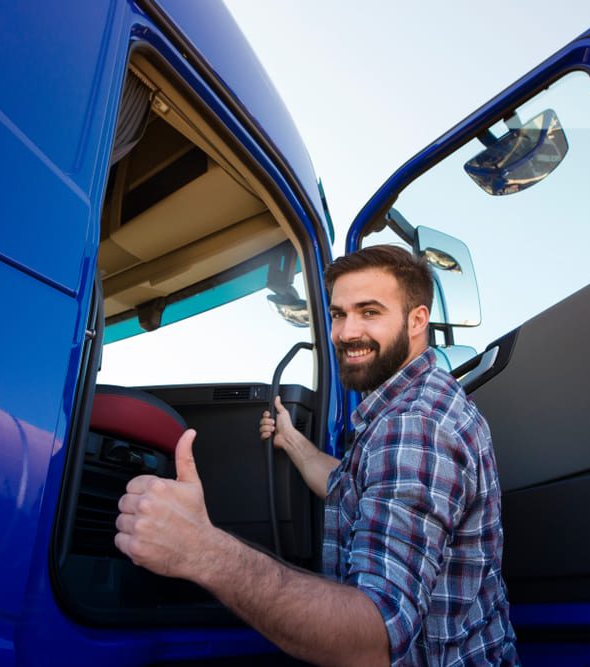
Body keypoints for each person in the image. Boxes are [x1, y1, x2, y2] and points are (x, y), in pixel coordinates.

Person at [115, 245, 517, 666]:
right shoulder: (410, 406)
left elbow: (372, 639)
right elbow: (347, 485)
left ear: (417, 320)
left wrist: (202, 550)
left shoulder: (414, 426)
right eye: (338, 314)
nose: (345, 332)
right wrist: (290, 438)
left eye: (370, 312)